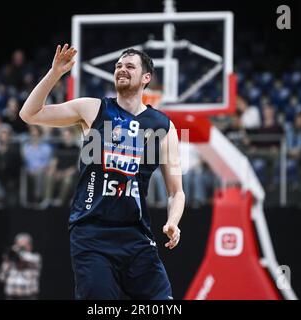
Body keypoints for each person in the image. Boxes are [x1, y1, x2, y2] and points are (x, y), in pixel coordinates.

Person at [20, 44, 184, 299]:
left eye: (130, 66)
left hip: (136, 235)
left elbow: (177, 192)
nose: (122, 70)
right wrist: (54, 73)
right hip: (91, 233)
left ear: (146, 78)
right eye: (118, 66)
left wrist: (173, 222)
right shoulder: (94, 109)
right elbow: (29, 114)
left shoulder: (163, 126)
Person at [0, 233, 42, 300]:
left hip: (29, 297)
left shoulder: (36, 258)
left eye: (24, 246)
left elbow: (29, 258)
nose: (21, 248)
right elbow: (1, 278)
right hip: (11, 297)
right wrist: (8, 261)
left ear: (30, 246)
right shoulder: (10, 259)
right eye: (19, 245)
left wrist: (19, 253)